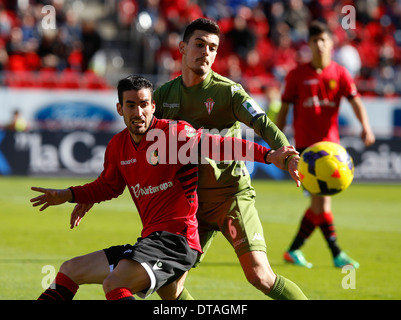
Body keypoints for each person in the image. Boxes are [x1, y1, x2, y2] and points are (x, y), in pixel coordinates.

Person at [30, 75, 299, 300]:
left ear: (153, 106)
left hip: (178, 241)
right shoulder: (117, 146)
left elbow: (218, 145)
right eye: (131, 105)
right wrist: (68, 194)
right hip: (151, 240)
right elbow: (108, 186)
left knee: (115, 284)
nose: (138, 112)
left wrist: (267, 155)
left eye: (144, 104)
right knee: (69, 270)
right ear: (119, 108)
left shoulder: (173, 134)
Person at [153, 18, 307, 300]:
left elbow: (263, 124)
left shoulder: (228, 91)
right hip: (189, 202)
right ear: (182, 48)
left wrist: (287, 156)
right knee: (168, 285)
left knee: (260, 275)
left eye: (212, 47)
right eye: (200, 45)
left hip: (231, 197)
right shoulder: (163, 96)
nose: (206, 52)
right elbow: (136, 144)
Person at [276, 20, 375, 269]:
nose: (319, 45)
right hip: (308, 151)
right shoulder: (296, 75)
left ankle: (295, 250)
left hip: (332, 149)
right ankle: (336, 254)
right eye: (314, 41)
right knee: (322, 203)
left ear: (331, 44)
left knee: (320, 204)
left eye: (323, 40)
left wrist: (366, 126)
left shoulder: (340, 73)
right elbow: (283, 111)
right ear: (309, 45)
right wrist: (277, 140)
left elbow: (355, 101)